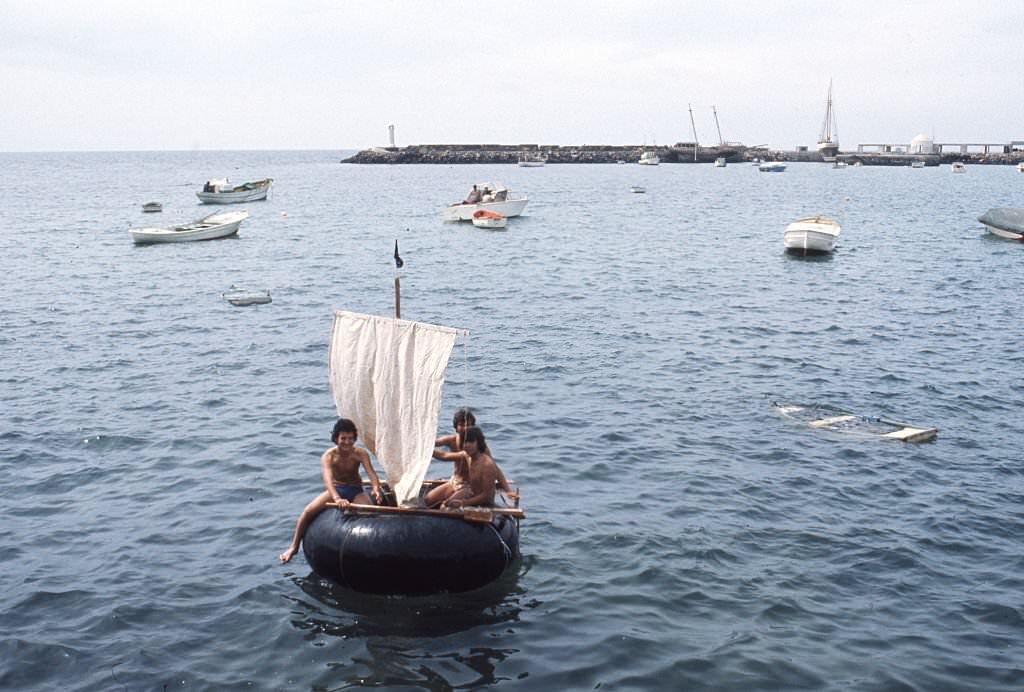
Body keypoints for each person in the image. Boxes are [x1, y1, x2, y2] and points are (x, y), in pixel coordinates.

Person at [278, 418, 383, 563]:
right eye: (343, 438)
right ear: (336, 438)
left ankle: (375, 554)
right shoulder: (328, 456)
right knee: (307, 512)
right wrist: (337, 498)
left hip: (356, 489)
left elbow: (371, 473)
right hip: (338, 489)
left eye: (351, 438)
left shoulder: (360, 453)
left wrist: (376, 488)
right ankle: (294, 547)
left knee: (372, 514)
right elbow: (327, 479)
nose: (347, 442)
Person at [441, 426, 501, 509]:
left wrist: (464, 503)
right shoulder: (467, 456)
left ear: (478, 443)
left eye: (471, 442)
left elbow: (487, 496)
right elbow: (445, 455)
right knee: (444, 506)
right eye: (465, 442)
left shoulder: (487, 465)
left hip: (484, 504)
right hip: (471, 494)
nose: (467, 445)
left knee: (449, 509)